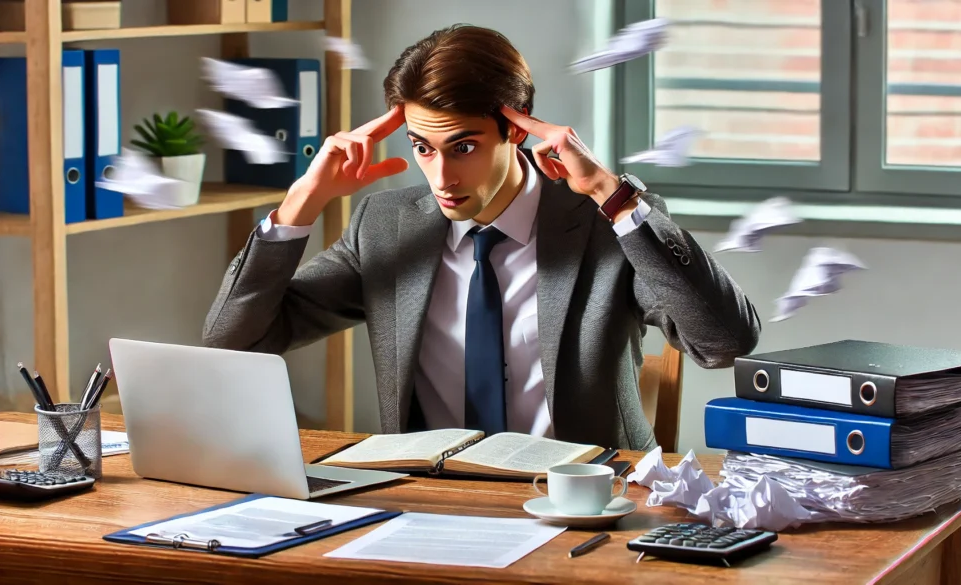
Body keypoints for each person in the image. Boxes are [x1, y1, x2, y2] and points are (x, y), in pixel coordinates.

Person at [203, 24, 760, 450]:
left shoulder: (604, 222)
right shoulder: (386, 226)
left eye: (463, 147)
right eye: (423, 147)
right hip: (429, 503)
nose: (442, 176)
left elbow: (724, 343)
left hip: (582, 505)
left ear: (516, 131)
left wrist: (615, 198)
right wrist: (303, 201)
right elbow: (235, 342)